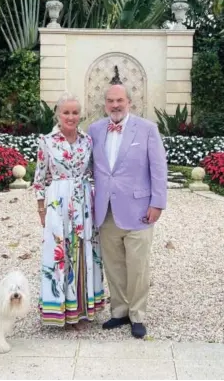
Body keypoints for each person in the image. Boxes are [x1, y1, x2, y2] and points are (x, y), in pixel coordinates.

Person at [88, 83, 167, 338]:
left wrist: (157, 203)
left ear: (129, 102)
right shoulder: (95, 130)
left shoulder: (147, 129)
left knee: (137, 266)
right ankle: (119, 311)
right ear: (105, 104)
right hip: (106, 210)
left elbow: (158, 169)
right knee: (114, 266)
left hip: (139, 209)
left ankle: (137, 315)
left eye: (119, 100)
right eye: (110, 101)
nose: (115, 105)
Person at [33, 93, 105, 330]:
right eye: (66, 112)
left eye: (75, 112)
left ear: (80, 114)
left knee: (84, 251)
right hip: (58, 202)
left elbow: (95, 174)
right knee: (60, 254)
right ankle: (59, 312)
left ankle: (81, 312)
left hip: (83, 201)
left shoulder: (88, 141)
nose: (71, 117)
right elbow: (39, 179)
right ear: (58, 114)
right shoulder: (47, 141)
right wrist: (41, 208)